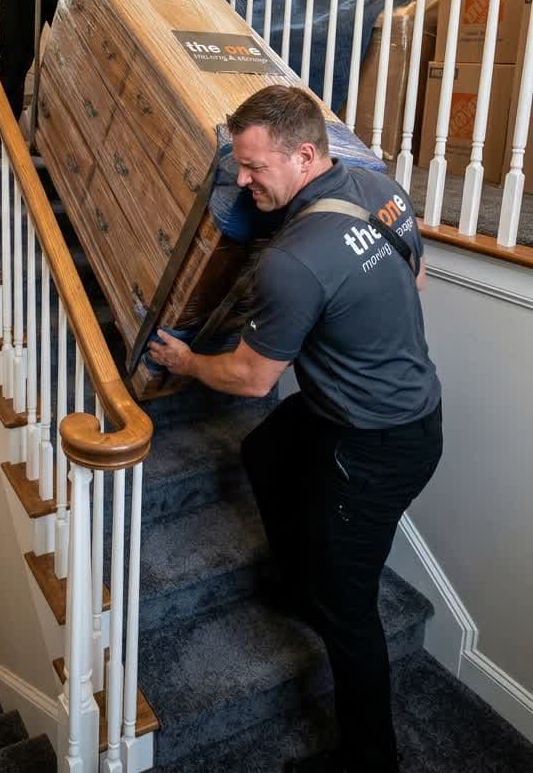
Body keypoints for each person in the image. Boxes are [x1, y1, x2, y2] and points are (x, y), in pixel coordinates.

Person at [147, 85, 443, 773]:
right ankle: (296, 581)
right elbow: (417, 274)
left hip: (378, 442)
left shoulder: (292, 260)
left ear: (306, 154)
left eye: (254, 169)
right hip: (393, 404)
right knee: (266, 448)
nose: (242, 183)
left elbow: (252, 378)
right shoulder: (377, 187)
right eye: (239, 167)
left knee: (350, 612)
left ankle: (370, 762)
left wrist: (189, 360)